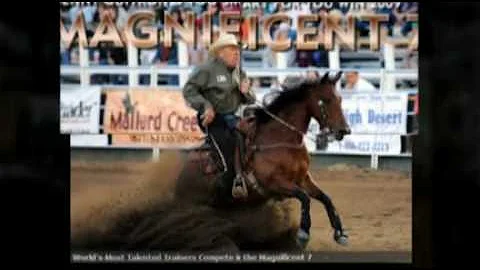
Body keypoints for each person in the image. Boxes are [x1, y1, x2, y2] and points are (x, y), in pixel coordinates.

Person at [182, 34, 256, 200]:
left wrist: (247, 92)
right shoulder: (206, 70)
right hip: (213, 118)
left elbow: (250, 99)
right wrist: (206, 106)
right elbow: (189, 90)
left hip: (233, 117)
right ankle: (228, 183)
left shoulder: (239, 72)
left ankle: (247, 179)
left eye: (237, 50)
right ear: (221, 52)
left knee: (253, 140)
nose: (236, 53)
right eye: (232, 49)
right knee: (227, 153)